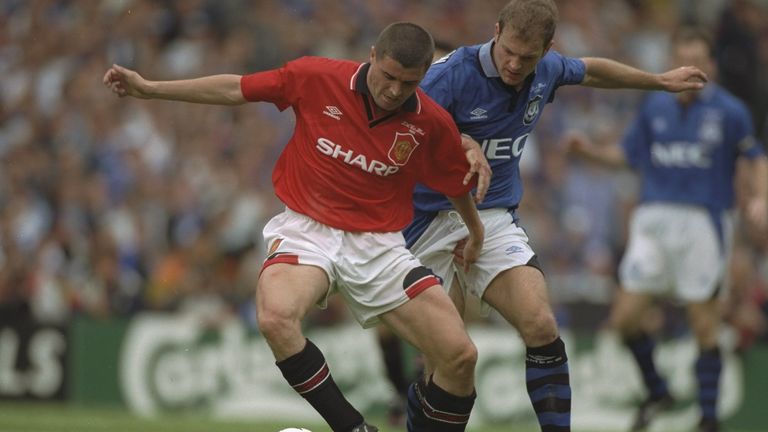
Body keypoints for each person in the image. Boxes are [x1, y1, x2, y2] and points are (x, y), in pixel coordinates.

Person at [104, 22, 492, 432]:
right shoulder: (317, 77)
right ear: (373, 56)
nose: (395, 90)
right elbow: (236, 88)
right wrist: (150, 88)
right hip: (309, 230)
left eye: (408, 83)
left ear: (425, 75)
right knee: (275, 318)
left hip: (380, 246)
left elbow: (455, 183)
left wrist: (477, 232)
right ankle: (354, 428)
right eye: (389, 76)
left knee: (460, 355)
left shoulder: (430, 121)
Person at [401, 2, 710, 431]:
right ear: (496, 32)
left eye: (527, 57)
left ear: (547, 49)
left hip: (490, 215)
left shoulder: (548, 69)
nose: (514, 63)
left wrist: (657, 81)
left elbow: (592, 70)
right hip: (426, 220)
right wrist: (463, 139)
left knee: (542, 325)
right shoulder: (450, 75)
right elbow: (406, 128)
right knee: (450, 359)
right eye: (508, 50)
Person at [567, 26, 768, 432]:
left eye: (698, 60)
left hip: (704, 221)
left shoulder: (730, 111)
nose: (690, 69)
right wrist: (588, 152)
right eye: (682, 59)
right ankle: (658, 390)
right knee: (624, 320)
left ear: (711, 65)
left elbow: (755, 157)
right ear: (671, 63)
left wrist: (760, 197)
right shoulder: (653, 108)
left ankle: (708, 420)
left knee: (704, 324)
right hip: (652, 219)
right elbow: (627, 156)